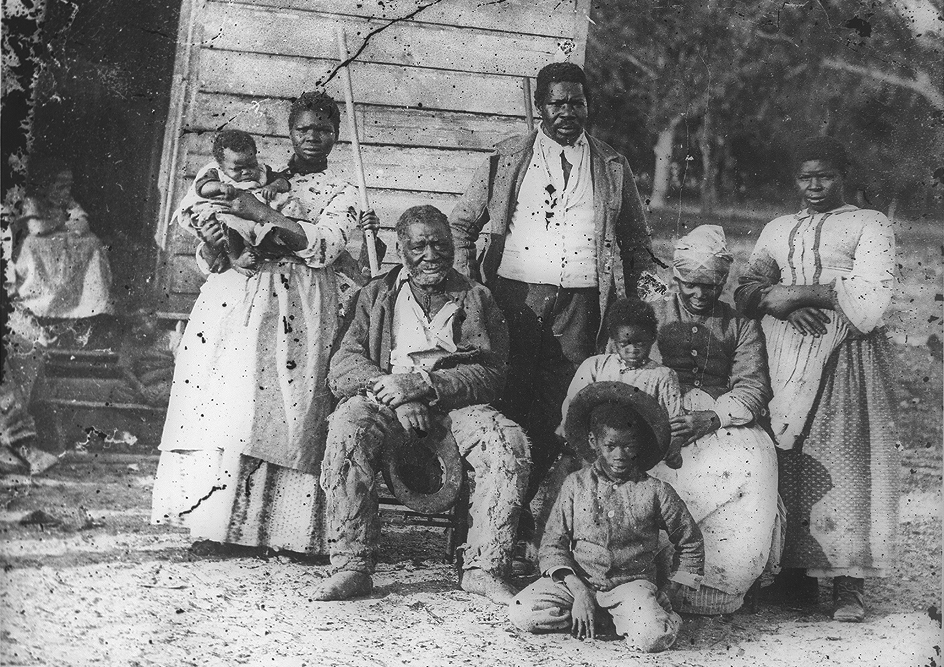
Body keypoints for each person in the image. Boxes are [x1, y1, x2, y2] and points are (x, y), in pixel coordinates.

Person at [150, 91, 380, 557]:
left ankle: (288, 532)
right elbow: (213, 245)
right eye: (303, 129)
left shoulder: (343, 190)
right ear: (290, 132)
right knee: (233, 402)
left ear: (336, 134)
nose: (313, 137)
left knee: (292, 410)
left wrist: (259, 212)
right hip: (240, 294)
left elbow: (325, 245)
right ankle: (219, 527)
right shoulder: (258, 175)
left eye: (323, 129)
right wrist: (216, 241)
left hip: (301, 301)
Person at [449, 62, 656, 496]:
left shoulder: (612, 164)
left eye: (576, 103)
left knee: (558, 409)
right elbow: (461, 226)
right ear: (540, 106)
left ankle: (518, 510)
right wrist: (471, 288)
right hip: (513, 299)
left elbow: (637, 244)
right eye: (557, 103)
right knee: (504, 398)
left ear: (588, 106)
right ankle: (478, 513)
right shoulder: (506, 158)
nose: (568, 112)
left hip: (580, 305)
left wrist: (629, 303)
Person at [315, 205, 530, 604]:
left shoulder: (476, 297)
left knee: (506, 441)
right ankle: (352, 565)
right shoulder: (376, 294)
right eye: (419, 246)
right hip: (383, 400)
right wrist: (391, 389)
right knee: (347, 425)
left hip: (450, 404)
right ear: (402, 248)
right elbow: (343, 365)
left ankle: (485, 567)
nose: (431, 255)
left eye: (440, 245)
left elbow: (491, 373)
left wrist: (423, 385)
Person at [734, 136, 898, 622]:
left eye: (824, 175)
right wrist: (778, 302)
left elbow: (871, 292)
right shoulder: (777, 228)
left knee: (844, 456)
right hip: (783, 353)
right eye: (806, 177)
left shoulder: (869, 223)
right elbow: (746, 289)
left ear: (842, 176)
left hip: (846, 350)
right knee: (789, 458)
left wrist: (797, 296)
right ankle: (793, 576)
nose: (815, 186)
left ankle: (849, 584)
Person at [509, 382, 703, 653]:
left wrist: (671, 591)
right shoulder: (575, 484)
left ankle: (639, 618)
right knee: (524, 613)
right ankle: (600, 615)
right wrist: (579, 591)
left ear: (640, 445)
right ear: (593, 442)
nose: (620, 456)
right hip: (578, 581)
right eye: (610, 445)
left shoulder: (655, 491)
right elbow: (552, 543)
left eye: (629, 446)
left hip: (630, 586)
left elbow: (691, 541)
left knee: (652, 638)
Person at [647, 224, 781, 616]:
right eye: (690, 284)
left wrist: (711, 418)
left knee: (753, 460)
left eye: (711, 286)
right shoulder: (652, 314)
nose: (699, 295)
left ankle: (718, 584)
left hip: (721, 419)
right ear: (676, 277)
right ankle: (648, 573)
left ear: (723, 281)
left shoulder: (739, 323)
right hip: (659, 411)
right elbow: (628, 367)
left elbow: (753, 388)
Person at [559, 297, 684, 467]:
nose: (632, 350)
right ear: (613, 339)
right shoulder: (595, 365)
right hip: (598, 448)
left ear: (652, 337)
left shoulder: (663, 375)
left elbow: (676, 419)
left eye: (640, 343)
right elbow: (573, 404)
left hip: (638, 450)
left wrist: (674, 448)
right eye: (625, 343)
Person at [174, 129, 297, 273]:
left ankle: (253, 252)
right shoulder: (216, 173)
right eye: (238, 169)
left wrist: (273, 186)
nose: (246, 172)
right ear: (221, 167)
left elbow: (284, 182)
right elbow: (202, 187)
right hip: (228, 212)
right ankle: (235, 259)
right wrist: (220, 186)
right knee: (227, 226)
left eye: (251, 165)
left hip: (254, 212)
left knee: (264, 231)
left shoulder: (264, 171)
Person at [13, 156, 114, 328]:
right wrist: (63, 224)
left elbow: (83, 223)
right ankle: (42, 301)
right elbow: (37, 228)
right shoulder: (33, 202)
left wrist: (60, 225)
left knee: (92, 243)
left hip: (59, 244)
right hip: (33, 246)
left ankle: (84, 304)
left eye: (69, 186)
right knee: (33, 247)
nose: (66, 191)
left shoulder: (67, 202)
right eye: (61, 187)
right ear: (47, 185)